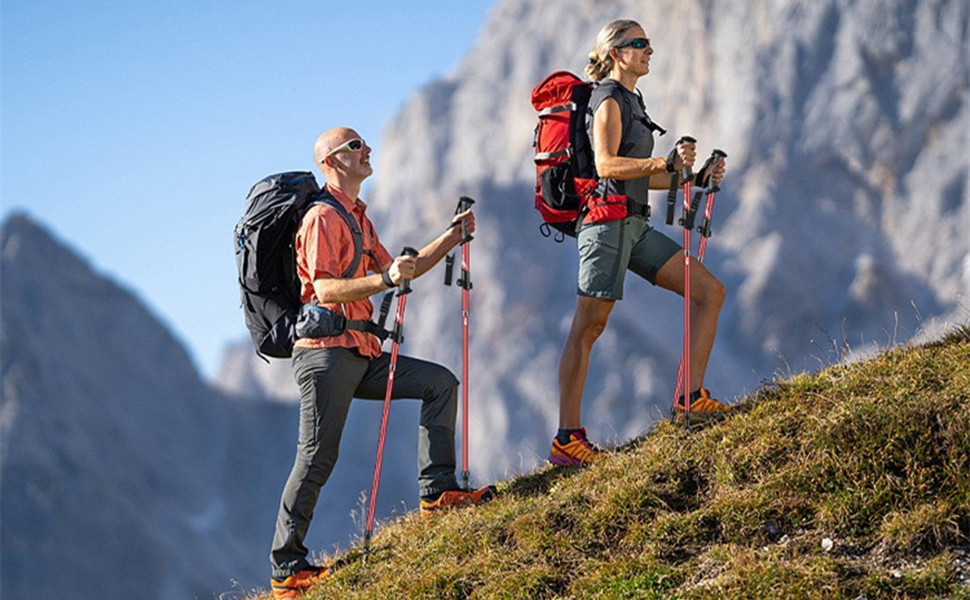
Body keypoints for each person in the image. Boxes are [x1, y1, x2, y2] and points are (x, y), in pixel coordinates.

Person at [269, 127, 494, 598]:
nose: (366, 150)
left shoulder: (357, 219)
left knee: (440, 383)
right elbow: (325, 289)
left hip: (360, 351)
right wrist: (382, 278)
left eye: (365, 144)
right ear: (331, 161)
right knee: (316, 456)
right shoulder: (321, 218)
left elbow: (399, 270)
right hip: (325, 357)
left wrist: (451, 238)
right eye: (355, 146)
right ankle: (286, 570)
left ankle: (438, 492)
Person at [549, 19, 733, 468]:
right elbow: (607, 165)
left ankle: (690, 398)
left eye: (649, 43)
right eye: (639, 43)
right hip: (605, 225)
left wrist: (690, 175)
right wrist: (663, 160)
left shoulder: (632, 99)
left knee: (709, 292)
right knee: (588, 328)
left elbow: (643, 176)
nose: (649, 49)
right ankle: (566, 439)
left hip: (633, 223)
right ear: (615, 53)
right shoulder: (608, 98)